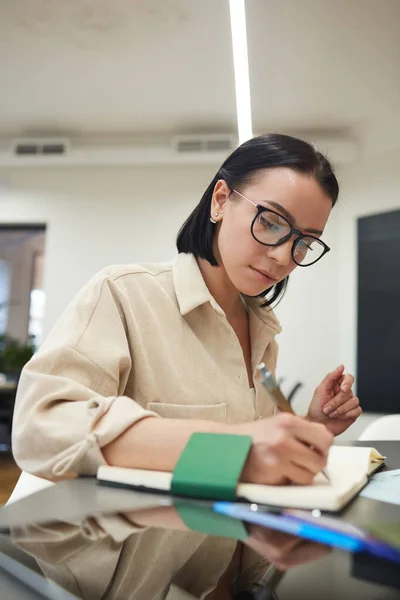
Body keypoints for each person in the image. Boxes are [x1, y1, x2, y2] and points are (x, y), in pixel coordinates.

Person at [11, 133, 362, 597]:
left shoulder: (263, 330)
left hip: (243, 578)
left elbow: (252, 445)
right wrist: (230, 452)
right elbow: (41, 426)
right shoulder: (124, 294)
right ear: (221, 200)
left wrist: (309, 427)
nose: (283, 256)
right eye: (273, 223)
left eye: (304, 243)